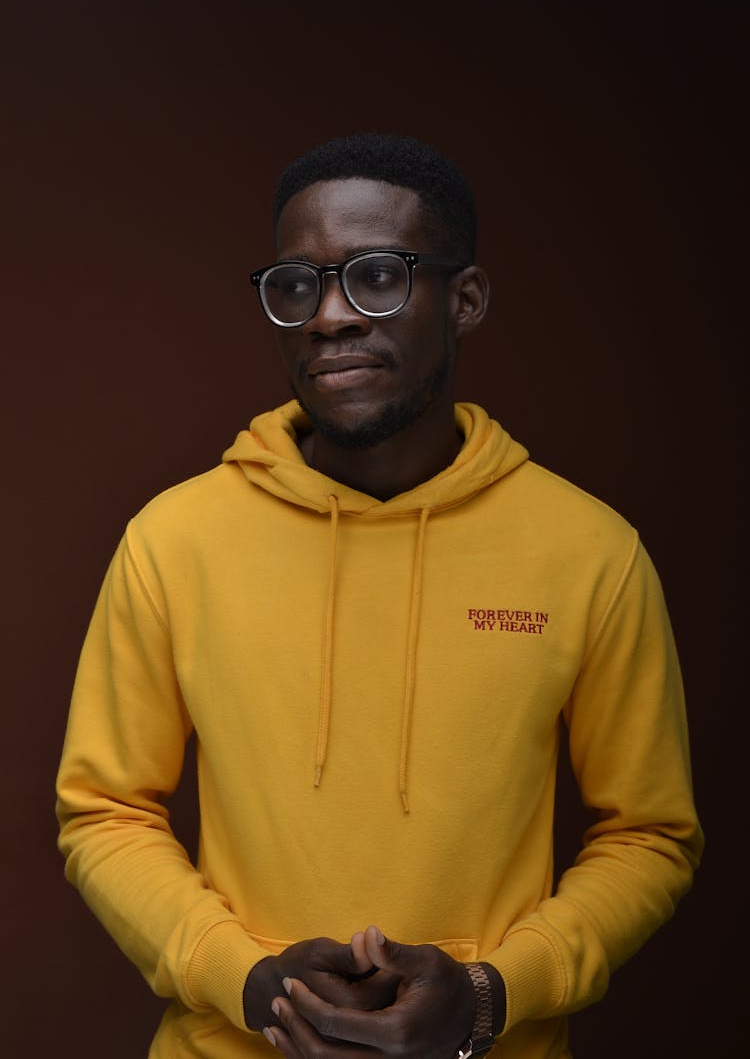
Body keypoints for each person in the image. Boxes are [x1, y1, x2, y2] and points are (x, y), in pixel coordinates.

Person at [56, 132, 703, 1059]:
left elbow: (650, 834)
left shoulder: (591, 553)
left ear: (465, 299)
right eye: (297, 285)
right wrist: (244, 979)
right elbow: (104, 811)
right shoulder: (173, 540)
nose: (330, 317)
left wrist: (487, 998)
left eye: (376, 277)